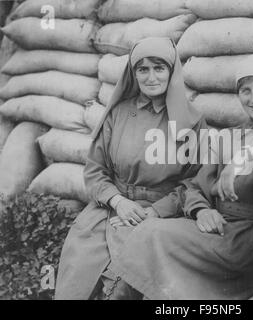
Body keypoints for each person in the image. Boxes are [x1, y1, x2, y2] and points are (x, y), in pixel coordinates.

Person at [106, 54, 253, 300]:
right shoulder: (231, 136)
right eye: (245, 91)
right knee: (150, 231)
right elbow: (195, 186)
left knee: (154, 236)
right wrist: (202, 211)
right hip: (221, 227)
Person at [54, 37, 207, 300]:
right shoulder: (119, 113)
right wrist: (118, 201)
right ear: (133, 73)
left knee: (121, 284)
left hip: (160, 216)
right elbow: (95, 169)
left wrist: (156, 211)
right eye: (142, 69)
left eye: (159, 68)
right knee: (78, 270)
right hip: (110, 208)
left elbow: (195, 182)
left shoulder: (190, 121)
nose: (150, 77)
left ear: (172, 71)